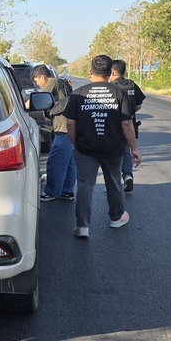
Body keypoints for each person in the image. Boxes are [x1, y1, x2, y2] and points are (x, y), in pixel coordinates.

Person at [64, 55, 141, 239]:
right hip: (113, 148)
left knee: (85, 185)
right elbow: (126, 123)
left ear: (91, 71)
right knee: (114, 181)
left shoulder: (78, 93)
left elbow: (70, 124)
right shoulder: (119, 93)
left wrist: (76, 144)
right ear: (110, 72)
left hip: (85, 148)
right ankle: (116, 217)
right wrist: (134, 148)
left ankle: (82, 226)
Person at [33, 66, 76, 202]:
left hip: (63, 129)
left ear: (43, 77)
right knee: (69, 162)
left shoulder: (52, 82)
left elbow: (39, 98)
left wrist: (22, 107)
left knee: (55, 162)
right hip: (70, 128)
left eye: (37, 81)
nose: (37, 84)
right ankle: (67, 191)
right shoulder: (62, 82)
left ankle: (51, 192)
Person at [110, 59, 146, 192]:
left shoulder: (110, 87)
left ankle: (113, 182)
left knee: (111, 154)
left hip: (112, 126)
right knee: (125, 151)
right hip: (129, 124)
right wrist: (128, 112)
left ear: (112, 72)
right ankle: (127, 176)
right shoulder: (132, 85)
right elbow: (139, 105)